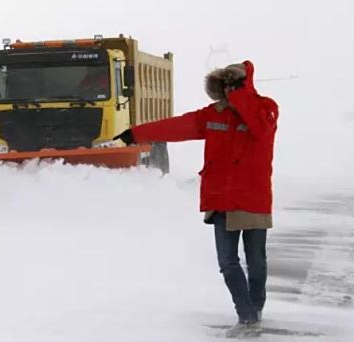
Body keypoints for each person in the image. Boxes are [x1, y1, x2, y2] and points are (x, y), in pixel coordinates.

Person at [114, 60, 278, 337]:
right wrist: (137, 133)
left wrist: (241, 95)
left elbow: (259, 129)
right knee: (227, 262)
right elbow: (178, 126)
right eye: (224, 85)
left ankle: (255, 308)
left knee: (256, 260)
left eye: (232, 84)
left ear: (242, 84)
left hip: (252, 197)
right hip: (220, 198)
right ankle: (247, 316)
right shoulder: (212, 115)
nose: (227, 90)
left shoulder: (266, 108)